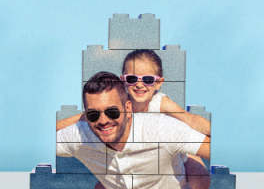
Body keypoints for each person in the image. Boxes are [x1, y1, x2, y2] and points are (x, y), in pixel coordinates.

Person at [56, 71, 213, 189]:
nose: (103, 121)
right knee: (101, 188)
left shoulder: (161, 129)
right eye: (94, 114)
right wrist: (79, 118)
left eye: (112, 112)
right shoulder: (80, 136)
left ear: (128, 108)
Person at [57, 49, 211, 136]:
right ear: (123, 80)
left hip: (166, 154)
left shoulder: (159, 103)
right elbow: (79, 118)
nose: (139, 85)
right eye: (132, 78)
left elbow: (190, 119)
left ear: (158, 83)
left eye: (148, 80)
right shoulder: (117, 105)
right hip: (135, 157)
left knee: (195, 167)